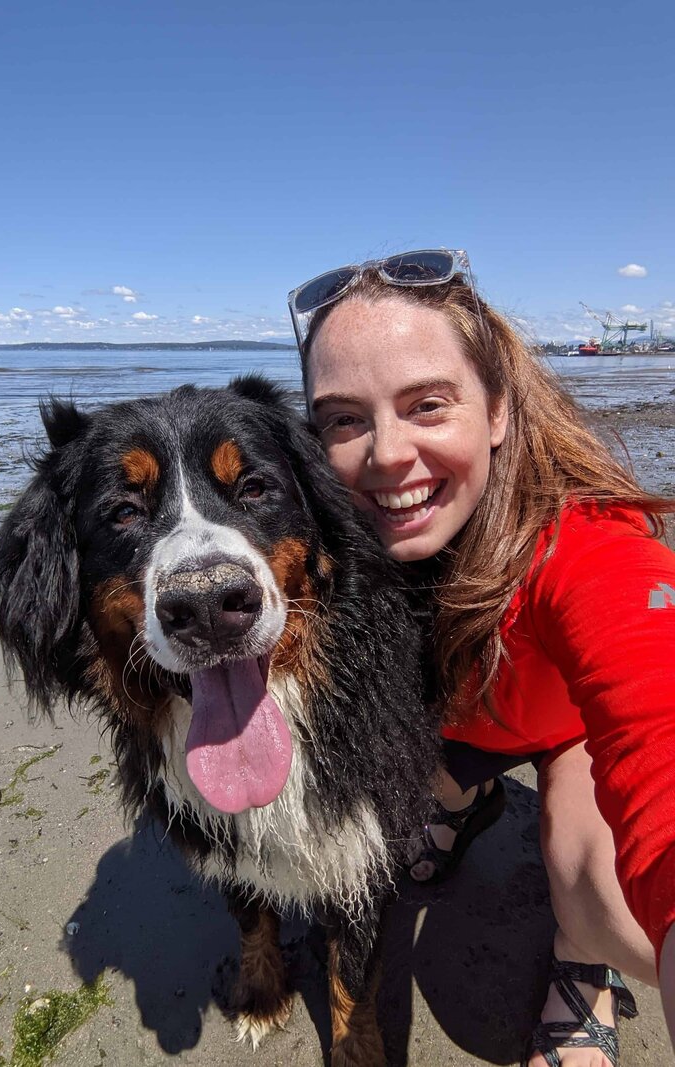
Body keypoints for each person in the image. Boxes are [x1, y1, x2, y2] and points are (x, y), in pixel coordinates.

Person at [286, 249, 675, 1067]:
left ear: (497, 409)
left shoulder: (586, 542)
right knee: (400, 792)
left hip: (569, 732)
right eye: (344, 419)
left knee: (601, 891)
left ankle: (581, 964)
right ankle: (463, 799)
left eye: (428, 404)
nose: (386, 454)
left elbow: (660, 716)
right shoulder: (323, 543)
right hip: (458, 729)